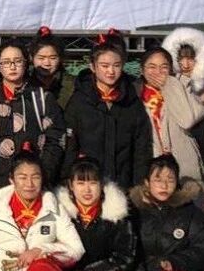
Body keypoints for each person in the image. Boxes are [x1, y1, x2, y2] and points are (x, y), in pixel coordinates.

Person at [56, 156, 136, 271]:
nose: (87, 190)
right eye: (81, 183)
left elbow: (125, 257)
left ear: (102, 185)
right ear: (71, 185)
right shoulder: (59, 214)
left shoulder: (116, 213)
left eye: (93, 183)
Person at [63, 35, 151, 188]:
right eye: (104, 66)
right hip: (88, 186)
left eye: (116, 65)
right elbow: (70, 148)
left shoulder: (132, 101)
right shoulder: (79, 101)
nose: (111, 71)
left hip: (123, 185)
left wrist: (138, 186)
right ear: (93, 67)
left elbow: (141, 149)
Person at [0, 40, 65, 192]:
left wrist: (44, 173)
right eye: (6, 62)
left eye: (17, 61)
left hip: (35, 180)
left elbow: (56, 138)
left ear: (26, 63)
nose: (12, 67)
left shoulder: (42, 97)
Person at [136, 47, 204, 189]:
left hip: (183, 166)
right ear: (142, 70)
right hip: (151, 169)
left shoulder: (184, 88)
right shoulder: (134, 96)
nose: (158, 72)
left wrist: (170, 85)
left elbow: (187, 120)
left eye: (164, 67)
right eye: (152, 67)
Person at [162, 27, 204, 110]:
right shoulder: (165, 88)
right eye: (180, 59)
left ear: (202, 59)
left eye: (191, 59)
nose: (186, 65)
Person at [29, 27, 74, 110]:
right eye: (41, 58)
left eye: (52, 58)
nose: (47, 63)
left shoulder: (72, 84)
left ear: (60, 58)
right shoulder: (25, 83)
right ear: (32, 58)